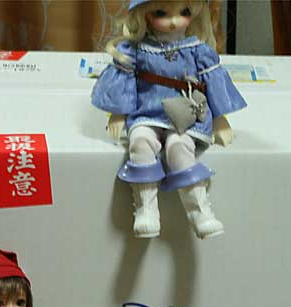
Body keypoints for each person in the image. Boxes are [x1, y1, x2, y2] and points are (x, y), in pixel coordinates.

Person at [91, 0, 246, 239]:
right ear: (144, 14)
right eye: (161, 13)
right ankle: (146, 208)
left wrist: (219, 119)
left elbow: (213, 82)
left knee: (178, 147)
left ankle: (200, 212)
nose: (173, 21)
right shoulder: (136, 49)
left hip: (186, 114)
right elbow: (123, 80)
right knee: (140, 141)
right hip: (147, 112)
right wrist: (118, 112)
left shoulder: (197, 50)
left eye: (184, 12)